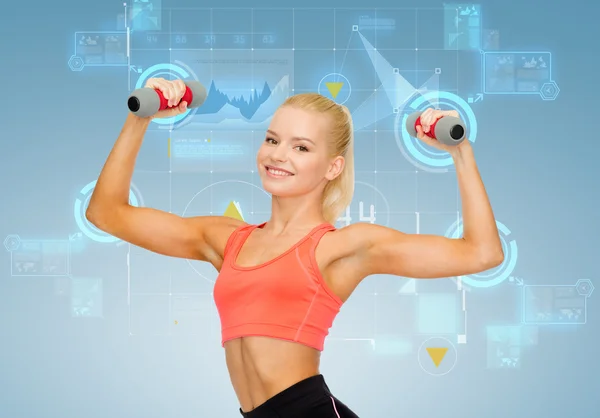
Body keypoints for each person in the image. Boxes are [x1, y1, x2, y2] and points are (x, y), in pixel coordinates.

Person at [86, 77, 504, 417]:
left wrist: (459, 151)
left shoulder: (341, 248)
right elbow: (106, 213)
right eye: (272, 140)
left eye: (301, 147)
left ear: (333, 166)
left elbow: (482, 252)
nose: (278, 155)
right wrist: (140, 118)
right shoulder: (226, 240)